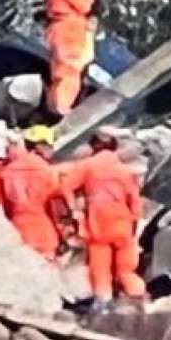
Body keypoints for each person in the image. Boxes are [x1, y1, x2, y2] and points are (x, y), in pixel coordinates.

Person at [61, 129, 145, 304]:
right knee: (126, 271)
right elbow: (135, 202)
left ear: (93, 146)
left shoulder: (87, 165)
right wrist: (134, 227)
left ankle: (103, 305)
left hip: (98, 224)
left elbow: (66, 186)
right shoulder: (125, 170)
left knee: (100, 271)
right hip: (123, 223)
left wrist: (74, 210)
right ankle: (139, 302)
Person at [0, 126, 70, 260]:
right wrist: (63, 234)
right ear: (39, 146)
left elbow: (2, 207)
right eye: (49, 145)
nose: (52, 149)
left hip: (16, 231)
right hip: (43, 231)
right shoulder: (47, 171)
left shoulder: (6, 172)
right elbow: (56, 207)